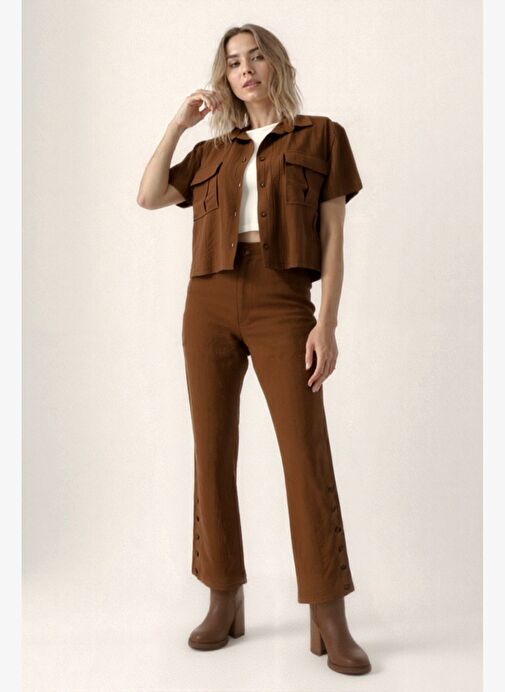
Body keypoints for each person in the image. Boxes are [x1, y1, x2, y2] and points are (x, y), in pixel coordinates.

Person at [137, 23, 371, 676]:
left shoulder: (321, 136)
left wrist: (326, 323)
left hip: (282, 299)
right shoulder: (213, 150)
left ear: (276, 64)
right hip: (208, 301)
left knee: (304, 453)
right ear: (226, 77)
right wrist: (178, 124)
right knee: (212, 451)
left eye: (255, 57)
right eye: (233, 62)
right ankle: (223, 596)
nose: (245, 69)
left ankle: (328, 613)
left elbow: (333, 237)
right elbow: (148, 195)